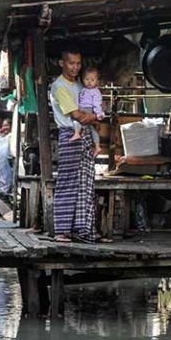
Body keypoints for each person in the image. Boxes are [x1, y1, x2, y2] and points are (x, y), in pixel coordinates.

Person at [49, 46, 110, 243]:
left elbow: (90, 110)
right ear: (62, 63)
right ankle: (61, 231)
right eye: (71, 63)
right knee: (67, 182)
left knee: (86, 184)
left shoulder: (80, 84)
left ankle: (84, 229)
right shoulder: (59, 86)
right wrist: (95, 116)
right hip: (70, 135)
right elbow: (78, 116)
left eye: (78, 63)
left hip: (85, 135)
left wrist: (92, 116)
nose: (75, 67)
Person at [68, 66, 104, 156]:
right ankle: (97, 146)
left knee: (75, 119)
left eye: (92, 80)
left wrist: (98, 113)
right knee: (91, 128)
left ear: (97, 81)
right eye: (87, 79)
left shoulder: (95, 92)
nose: (89, 82)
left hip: (87, 110)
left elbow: (97, 103)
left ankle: (77, 133)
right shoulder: (83, 89)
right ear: (83, 80)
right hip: (82, 108)